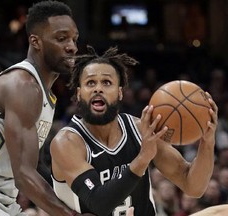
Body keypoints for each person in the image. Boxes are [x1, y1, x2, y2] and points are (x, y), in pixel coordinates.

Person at [0, 1, 93, 216]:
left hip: (2, 201)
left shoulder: (42, 93)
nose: (72, 47)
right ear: (35, 42)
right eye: (61, 39)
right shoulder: (22, 86)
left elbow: (34, 166)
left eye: (74, 39)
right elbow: (23, 174)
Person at [50, 46, 218, 216]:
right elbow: (97, 203)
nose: (98, 88)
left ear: (120, 92)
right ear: (79, 94)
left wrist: (207, 142)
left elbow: (193, 186)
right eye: (90, 83)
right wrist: (142, 159)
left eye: (107, 82)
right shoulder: (67, 142)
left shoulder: (140, 130)